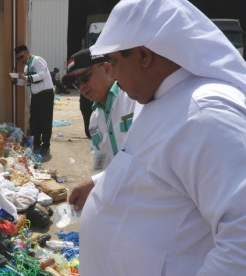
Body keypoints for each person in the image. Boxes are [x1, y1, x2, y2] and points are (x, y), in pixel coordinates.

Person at [76, 0, 246, 275]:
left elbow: (240, 244)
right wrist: (99, 183)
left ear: (144, 56)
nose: (114, 75)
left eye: (115, 62)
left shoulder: (208, 114)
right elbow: (155, 170)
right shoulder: (161, 99)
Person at [62, 48, 139, 210]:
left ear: (106, 68)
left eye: (85, 78)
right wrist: (97, 184)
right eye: (76, 83)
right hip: (118, 199)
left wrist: (95, 182)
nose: (82, 87)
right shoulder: (94, 120)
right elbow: (100, 159)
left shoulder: (134, 100)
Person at [11, 45, 54, 155]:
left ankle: (45, 146)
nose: (21, 60)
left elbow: (42, 75)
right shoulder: (26, 68)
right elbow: (26, 82)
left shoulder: (37, 60)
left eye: (21, 57)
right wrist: (16, 81)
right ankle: (36, 144)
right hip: (36, 96)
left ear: (27, 53)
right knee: (34, 121)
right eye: (18, 59)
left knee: (45, 121)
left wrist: (26, 77)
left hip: (45, 95)